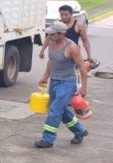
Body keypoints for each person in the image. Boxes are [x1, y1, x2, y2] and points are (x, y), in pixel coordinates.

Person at [34, 21, 89, 149]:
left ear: (61, 34)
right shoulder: (51, 42)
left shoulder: (72, 47)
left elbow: (82, 67)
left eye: (52, 34)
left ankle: (47, 139)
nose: (49, 36)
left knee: (54, 111)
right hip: (54, 81)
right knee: (61, 110)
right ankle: (80, 130)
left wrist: (83, 87)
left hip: (67, 83)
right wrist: (45, 76)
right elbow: (51, 61)